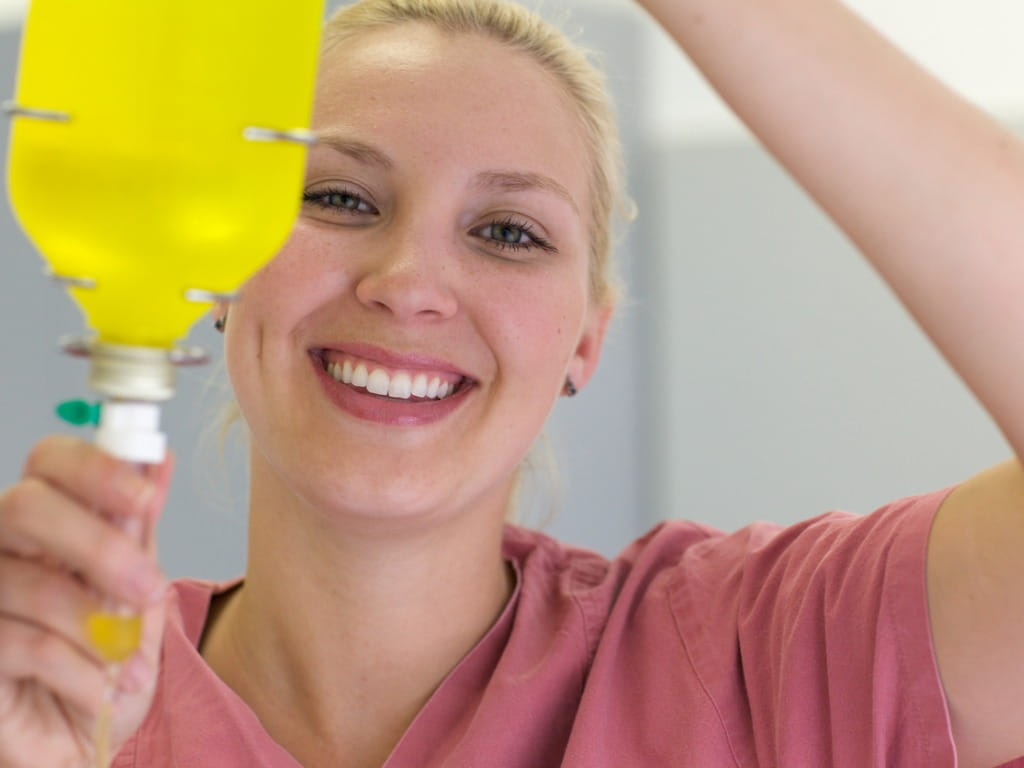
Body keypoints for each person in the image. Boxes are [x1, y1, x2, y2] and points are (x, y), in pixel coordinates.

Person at [1, 0, 1023, 765]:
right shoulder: (45, 691)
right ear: (221, 270)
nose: (405, 283)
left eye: (507, 232)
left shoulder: (761, 662)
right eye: (341, 197)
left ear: (587, 339)